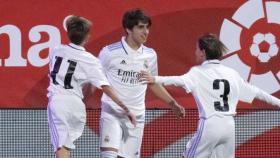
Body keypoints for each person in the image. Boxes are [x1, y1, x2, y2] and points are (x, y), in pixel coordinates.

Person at [140, 33, 280, 158]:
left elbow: (178, 80)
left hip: (210, 124)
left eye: (196, 49)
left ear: (203, 52)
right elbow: (258, 93)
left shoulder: (198, 72)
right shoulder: (231, 73)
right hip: (229, 127)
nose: (195, 52)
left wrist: (155, 79)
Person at [98, 9, 185, 158]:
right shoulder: (109, 52)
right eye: (140, 27)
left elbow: (153, 83)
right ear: (128, 29)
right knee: (109, 156)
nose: (146, 32)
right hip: (112, 113)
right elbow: (97, 80)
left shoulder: (150, 55)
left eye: (147, 27)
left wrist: (172, 103)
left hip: (137, 117)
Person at [47, 15, 136, 158]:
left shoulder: (55, 51)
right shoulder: (91, 61)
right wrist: (126, 109)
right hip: (77, 105)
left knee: (61, 147)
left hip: (58, 103)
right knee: (66, 147)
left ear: (68, 32)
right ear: (87, 37)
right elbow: (105, 87)